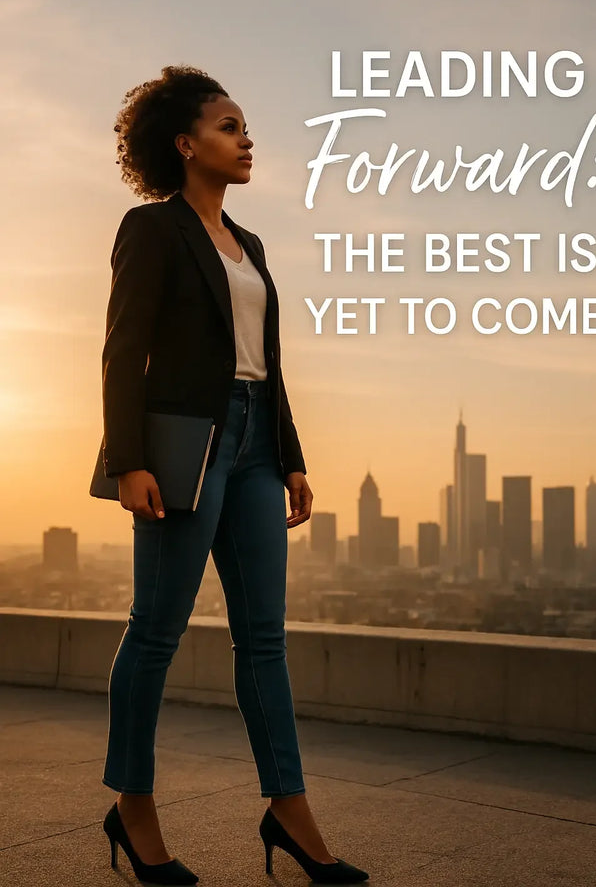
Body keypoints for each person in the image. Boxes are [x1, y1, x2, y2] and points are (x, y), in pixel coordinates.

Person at [98, 65, 369, 885]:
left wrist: (289, 457)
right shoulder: (152, 229)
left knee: (264, 639)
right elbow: (122, 350)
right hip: (186, 444)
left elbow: (267, 365)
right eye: (228, 125)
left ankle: (289, 810)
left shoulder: (248, 245)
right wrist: (128, 461)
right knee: (156, 631)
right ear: (185, 144)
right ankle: (134, 808)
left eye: (245, 125)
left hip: (255, 445)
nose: (246, 138)